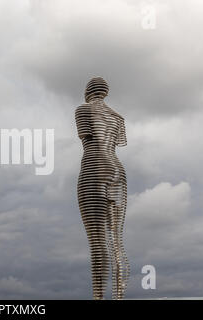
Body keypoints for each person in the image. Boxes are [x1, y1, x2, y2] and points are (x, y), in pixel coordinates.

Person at [75, 77, 129, 299]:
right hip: (117, 169)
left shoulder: (82, 110)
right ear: (106, 91)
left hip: (93, 168)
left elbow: (86, 137)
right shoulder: (118, 118)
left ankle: (98, 297)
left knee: (97, 241)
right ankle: (119, 297)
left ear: (88, 91)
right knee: (117, 240)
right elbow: (118, 143)